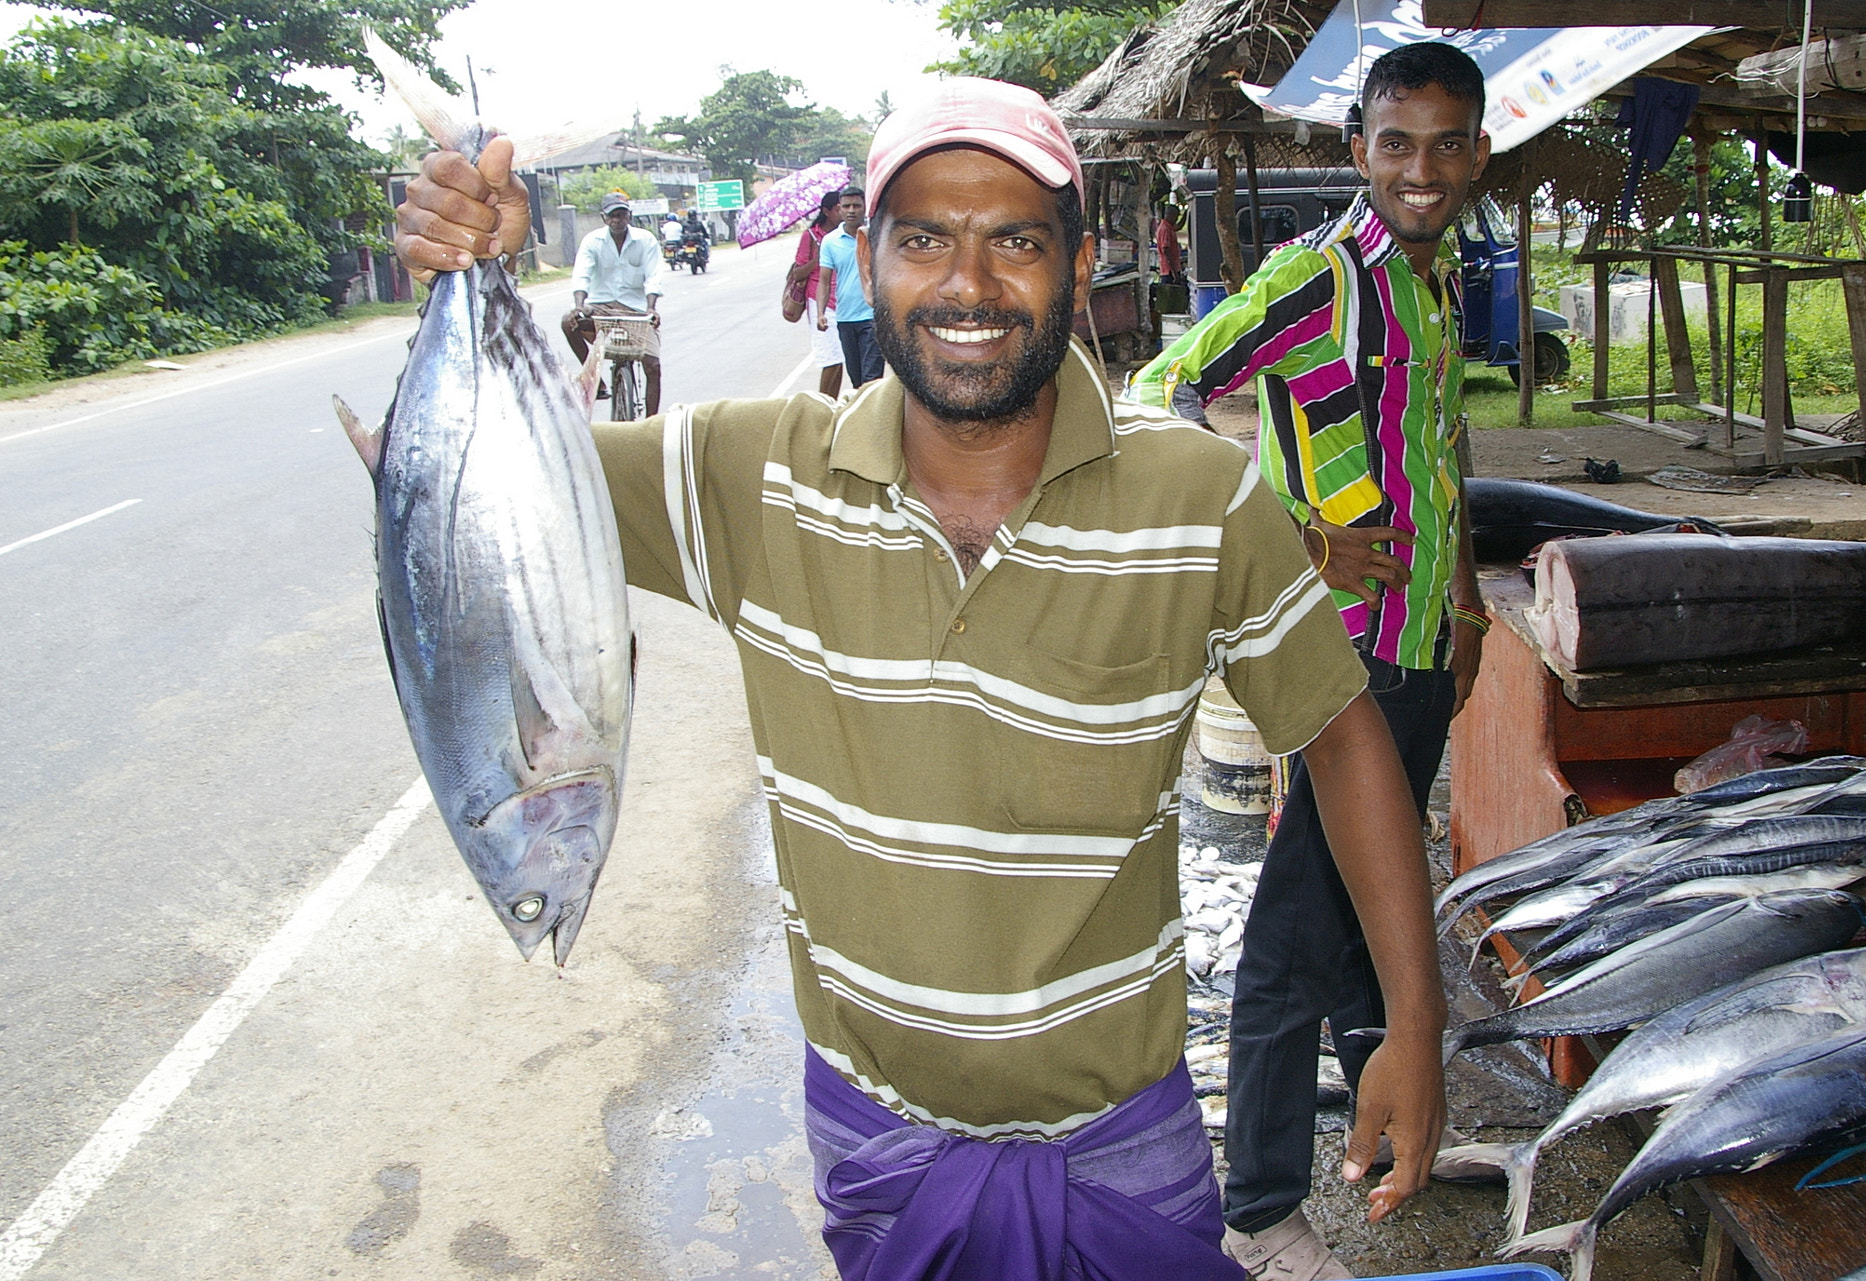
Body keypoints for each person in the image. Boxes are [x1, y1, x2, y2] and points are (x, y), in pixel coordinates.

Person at [394, 75, 1445, 1281]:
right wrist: (465, 272)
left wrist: (1411, 1018)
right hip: (876, 1141)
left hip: (1126, 1140)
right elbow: (481, 516)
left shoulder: (1196, 497)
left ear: (1079, 258)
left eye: (1014, 241)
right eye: (924, 240)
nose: (969, 284)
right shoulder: (750, 474)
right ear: (868, 256)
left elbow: (1342, 733)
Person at [1124, 41, 1490, 1280]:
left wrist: (1472, 600)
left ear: (1477, 153)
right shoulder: (1315, 279)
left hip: (1424, 647)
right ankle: (1260, 1208)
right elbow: (1155, 399)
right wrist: (1291, 540)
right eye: (1397, 143)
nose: (1421, 169)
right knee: (1291, 937)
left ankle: (1392, 1122)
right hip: (1336, 666)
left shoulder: (1435, 289)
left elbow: (1437, 461)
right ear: (1359, 153)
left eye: (1446, 144)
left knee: (1353, 905)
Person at [564, 192, 664, 410]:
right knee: (568, 322)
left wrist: (651, 308)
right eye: (612, 216)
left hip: (635, 310)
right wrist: (579, 306)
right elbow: (582, 273)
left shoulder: (645, 240)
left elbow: (653, 276)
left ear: (629, 216)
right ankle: (596, 381)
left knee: (653, 366)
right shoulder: (592, 241)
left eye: (621, 215)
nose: (617, 220)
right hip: (601, 308)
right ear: (604, 218)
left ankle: (651, 424)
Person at [815, 186, 884, 388]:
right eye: (846, 206)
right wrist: (821, 312)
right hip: (845, 318)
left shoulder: (876, 237)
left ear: (865, 207)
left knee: (871, 379)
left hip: (872, 317)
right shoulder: (830, 242)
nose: (851, 210)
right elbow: (824, 281)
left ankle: (872, 418)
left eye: (856, 205)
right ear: (840, 209)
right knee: (856, 378)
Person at [787, 189, 846, 397]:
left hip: (844, 301)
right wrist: (819, 257)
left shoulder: (845, 234)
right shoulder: (811, 237)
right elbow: (798, 271)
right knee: (831, 359)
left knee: (841, 359)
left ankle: (833, 402)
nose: (843, 212)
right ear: (826, 211)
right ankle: (823, 404)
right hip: (820, 302)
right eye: (838, 209)